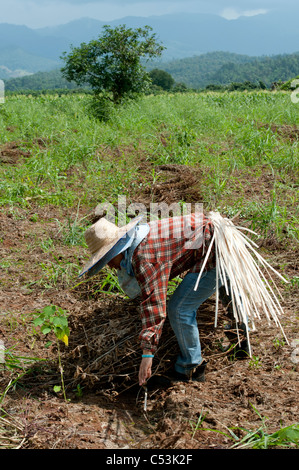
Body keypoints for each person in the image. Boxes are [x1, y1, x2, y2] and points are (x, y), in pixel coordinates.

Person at [79, 211, 248, 387]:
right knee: (227, 285)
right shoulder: (140, 237)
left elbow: (155, 304)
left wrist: (147, 354)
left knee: (179, 309)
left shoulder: (145, 257)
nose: (109, 265)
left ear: (116, 250)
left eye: (107, 259)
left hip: (215, 248)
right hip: (219, 236)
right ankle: (244, 338)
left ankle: (191, 367)